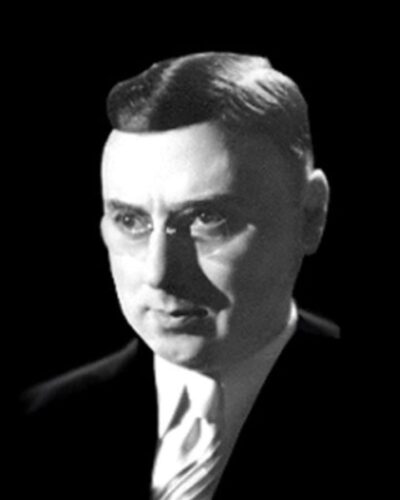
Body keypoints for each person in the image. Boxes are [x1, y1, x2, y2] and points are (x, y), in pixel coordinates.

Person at [18, 52, 341, 499]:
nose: (159, 273)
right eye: (131, 222)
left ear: (310, 215)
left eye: (208, 218)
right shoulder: (39, 420)